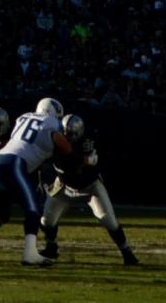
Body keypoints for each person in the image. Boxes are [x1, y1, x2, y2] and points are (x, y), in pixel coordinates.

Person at [0, 95, 63, 267]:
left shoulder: (23, 117)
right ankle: (30, 254)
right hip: (14, 165)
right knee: (33, 209)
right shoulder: (53, 123)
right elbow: (55, 140)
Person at [40, 111, 140, 266]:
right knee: (46, 220)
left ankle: (127, 252)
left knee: (108, 220)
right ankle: (51, 246)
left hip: (90, 186)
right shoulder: (55, 138)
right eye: (65, 134)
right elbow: (73, 161)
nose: (67, 137)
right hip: (64, 185)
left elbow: (78, 161)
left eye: (71, 134)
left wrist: (88, 160)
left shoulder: (87, 142)